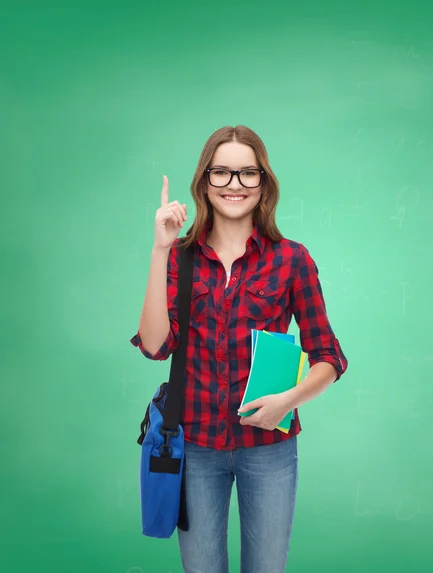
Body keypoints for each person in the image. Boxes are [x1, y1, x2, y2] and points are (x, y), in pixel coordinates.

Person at [130, 125, 348, 573]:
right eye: (222, 173)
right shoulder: (180, 257)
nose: (234, 185)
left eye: (247, 173)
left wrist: (289, 401)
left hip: (269, 448)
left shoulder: (292, 259)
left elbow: (328, 356)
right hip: (196, 448)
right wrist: (159, 248)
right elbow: (155, 346)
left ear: (263, 183)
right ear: (204, 182)